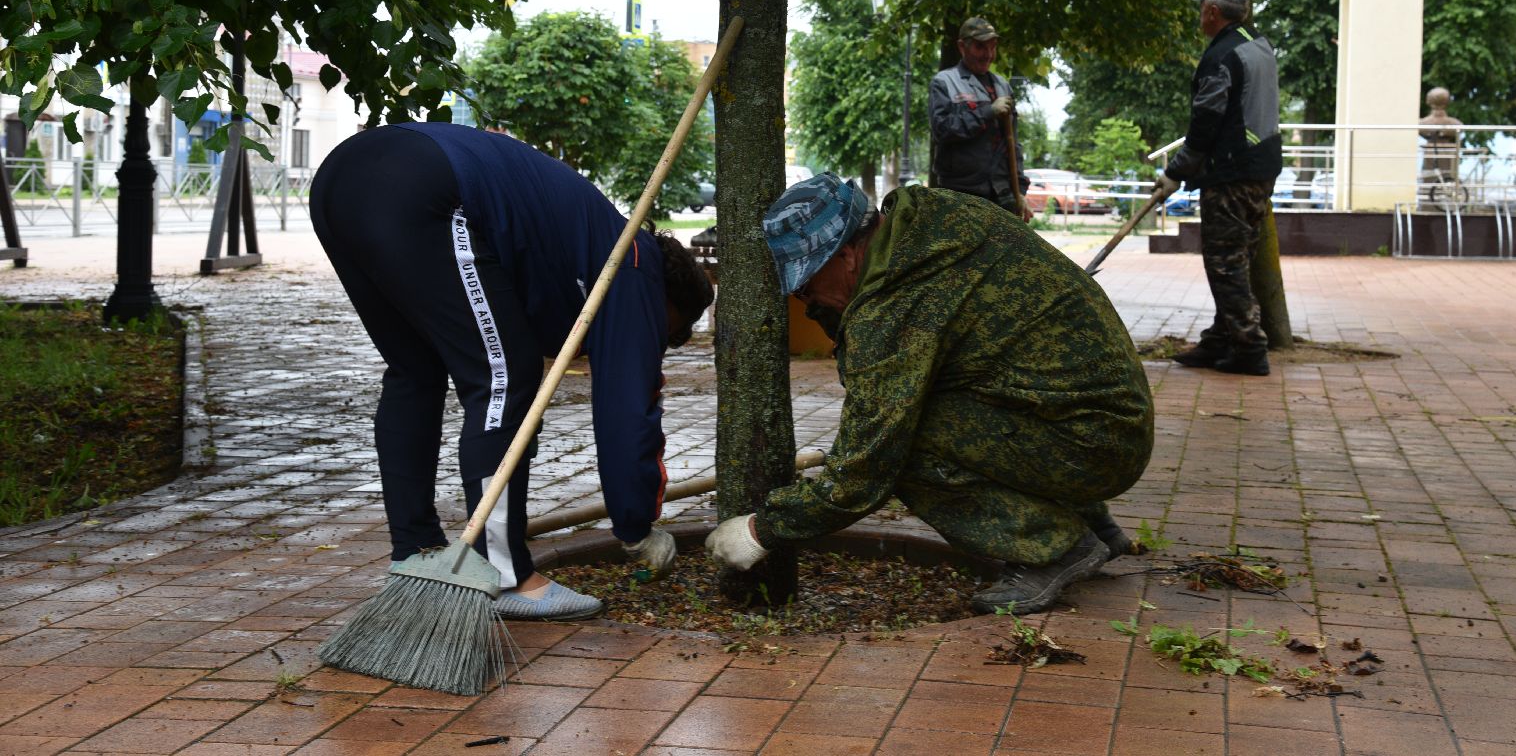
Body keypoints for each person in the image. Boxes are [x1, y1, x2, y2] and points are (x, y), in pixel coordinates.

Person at [311, 122, 713, 620]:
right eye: (663, 335)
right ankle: (504, 575)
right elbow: (627, 411)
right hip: (427, 188)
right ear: (671, 303)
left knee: (415, 368)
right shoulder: (635, 271)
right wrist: (636, 526)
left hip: (341, 180)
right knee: (507, 375)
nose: (653, 342)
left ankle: (415, 551)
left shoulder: (593, 242)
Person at [705, 174, 1154, 615]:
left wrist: (763, 530)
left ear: (845, 256)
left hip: (1090, 446)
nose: (804, 300)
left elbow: (863, 471)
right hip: (1107, 421)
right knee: (948, 405)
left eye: (805, 284)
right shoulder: (931, 220)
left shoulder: (898, 303)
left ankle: (1055, 548)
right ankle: (1096, 522)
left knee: (901, 445)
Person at [1157, 0, 1282, 377]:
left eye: (1201, 9)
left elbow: (1207, 118)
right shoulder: (1260, 47)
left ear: (1212, 11)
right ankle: (1220, 339)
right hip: (1261, 170)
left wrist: (1177, 170)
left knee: (1225, 263)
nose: (1200, 15)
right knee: (1238, 258)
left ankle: (1248, 347)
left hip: (1231, 173)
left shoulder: (1222, 56)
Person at [928, 16, 1033, 220]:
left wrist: (1019, 190)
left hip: (1001, 193)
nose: (988, 55)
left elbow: (1013, 145)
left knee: (1006, 251)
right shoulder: (945, 82)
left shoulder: (1003, 86)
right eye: (980, 47)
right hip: (960, 193)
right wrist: (988, 112)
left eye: (992, 47)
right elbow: (942, 130)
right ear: (961, 47)